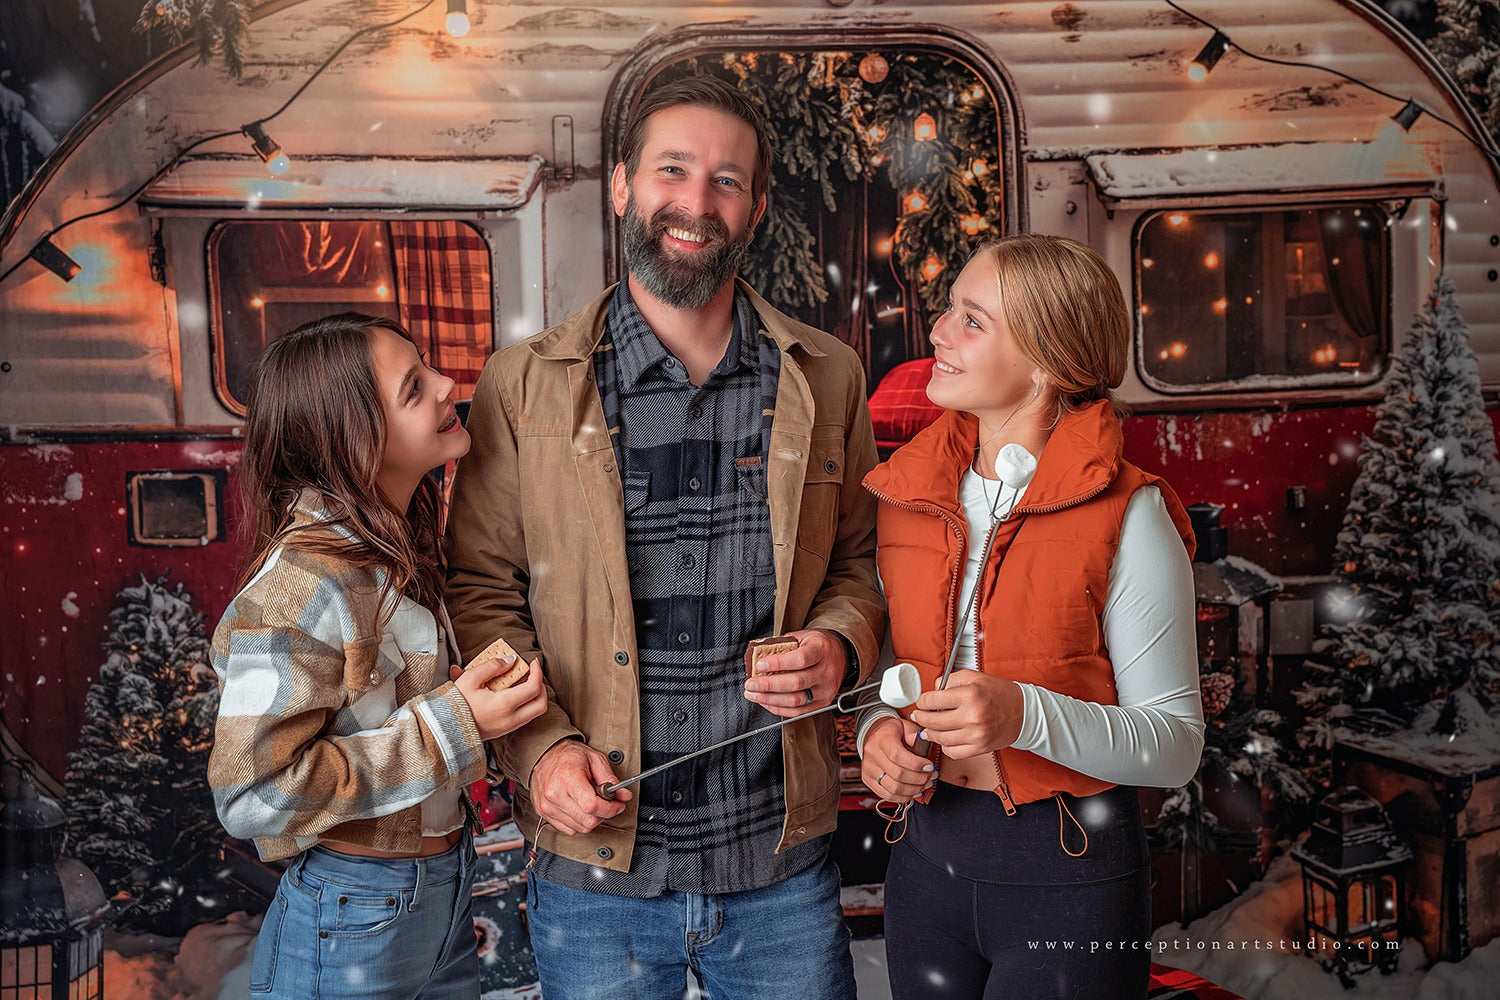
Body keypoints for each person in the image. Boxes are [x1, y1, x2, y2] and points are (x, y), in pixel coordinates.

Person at [444, 74, 885, 999]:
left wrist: (841, 644)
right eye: (672, 170)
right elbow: (482, 591)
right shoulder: (521, 385)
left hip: (779, 866)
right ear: (621, 185)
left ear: (754, 208)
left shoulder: (828, 376)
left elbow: (858, 564)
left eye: (727, 180)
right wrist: (541, 750)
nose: (697, 202)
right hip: (593, 877)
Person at [858, 235, 1205, 999]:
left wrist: (1022, 714)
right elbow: (889, 675)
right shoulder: (907, 496)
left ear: (1047, 362)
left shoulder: (1130, 513)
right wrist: (877, 734)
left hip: (1069, 881)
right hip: (925, 868)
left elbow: (1175, 746)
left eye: (971, 320)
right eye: (949, 310)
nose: (938, 332)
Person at [208, 313, 549, 1000]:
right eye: (413, 387)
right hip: (353, 912)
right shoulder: (301, 585)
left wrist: (482, 711)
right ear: (353, 440)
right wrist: (453, 725)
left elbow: (396, 723)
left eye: (427, 367)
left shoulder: (397, 549)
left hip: (441, 896)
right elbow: (251, 794)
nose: (447, 384)